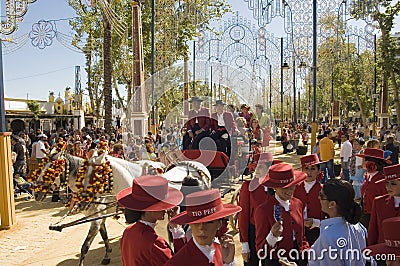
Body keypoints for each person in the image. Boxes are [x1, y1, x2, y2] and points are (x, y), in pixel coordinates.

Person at [117, 175, 185, 266]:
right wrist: (176, 228)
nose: (166, 209)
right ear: (148, 209)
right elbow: (182, 261)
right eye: (161, 205)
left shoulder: (128, 232)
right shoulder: (154, 242)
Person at [166, 189, 242, 266]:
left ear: (219, 224)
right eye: (196, 223)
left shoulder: (220, 250)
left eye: (209, 222)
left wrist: (228, 263)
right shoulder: (176, 263)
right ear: (190, 224)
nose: (201, 228)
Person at [254, 163, 310, 266]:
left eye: (292, 186)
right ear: (275, 187)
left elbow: (302, 237)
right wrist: (272, 236)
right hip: (276, 261)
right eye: (285, 187)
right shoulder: (264, 210)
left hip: (299, 259)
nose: (290, 191)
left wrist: (307, 253)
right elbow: (261, 251)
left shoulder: (298, 204)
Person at [238, 152, 279, 266]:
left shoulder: (277, 186)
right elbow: (243, 215)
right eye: (256, 166)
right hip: (253, 233)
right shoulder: (248, 187)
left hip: (272, 233)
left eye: (260, 166)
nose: (256, 169)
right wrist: (245, 243)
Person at [294, 154, 328, 246]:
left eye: (313, 169)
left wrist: (316, 223)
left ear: (318, 171)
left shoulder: (324, 190)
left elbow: (330, 216)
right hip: (297, 231)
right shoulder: (294, 188)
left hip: (317, 232)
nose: (309, 172)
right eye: (306, 168)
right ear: (302, 170)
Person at [356, 148, 391, 228]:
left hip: (376, 218)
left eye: (364, 160)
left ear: (372, 162)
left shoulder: (382, 181)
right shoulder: (368, 177)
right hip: (365, 216)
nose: (362, 163)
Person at [368, 164, 400, 250]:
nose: (388, 187)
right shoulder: (379, 202)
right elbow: (373, 230)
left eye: (393, 184)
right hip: (383, 253)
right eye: (386, 183)